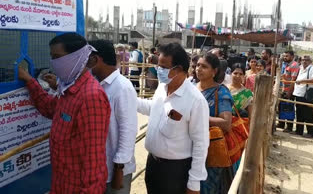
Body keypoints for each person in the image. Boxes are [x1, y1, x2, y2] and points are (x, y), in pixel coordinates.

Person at [18, 33, 110, 193]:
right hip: (61, 185)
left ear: (76, 58)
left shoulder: (91, 97)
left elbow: (93, 160)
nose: (53, 62)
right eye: (52, 57)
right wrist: (30, 81)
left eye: (57, 57)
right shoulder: (68, 90)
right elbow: (48, 107)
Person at [137, 43, 209, 194]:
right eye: (158, 65)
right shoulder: (162, 88)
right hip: (153, 165)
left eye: (163, 67)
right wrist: (132, 101)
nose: (158, 70)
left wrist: (194, 183)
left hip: (175, 172)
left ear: (178, 69)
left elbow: (200, 143)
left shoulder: (195, 100)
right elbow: (154, 108)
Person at [89, 40, 138, 194]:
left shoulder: (122, 87)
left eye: (87, 59)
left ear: (96, 60)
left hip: (116, 169)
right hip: (100, 166)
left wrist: (119, 168)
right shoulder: (97, 84)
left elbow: (128, 130)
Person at [195, 53, 234, 194]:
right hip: (187, 148)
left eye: (204, 66)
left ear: (214, 71)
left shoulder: (221, 93)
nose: (199, 69)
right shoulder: (191, 87)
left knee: (207, 188)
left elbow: (226, 123)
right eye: (198, 65)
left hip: (210, 151)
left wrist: (198, 118)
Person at [292, 56, 313, 138]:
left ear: (310, 61)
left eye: (306, 60)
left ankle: (311, 132)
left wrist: (302, 81)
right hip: (299, 93)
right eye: (303, 60)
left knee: (308, 114)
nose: (304, 61)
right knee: (299, 113)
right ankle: (299, 131)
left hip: (307, 94)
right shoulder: (300, 68)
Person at [277, 50, 300, 132]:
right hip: (284, 88)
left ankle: (289, 127)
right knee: (282, 106)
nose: (285, 57)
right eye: (284, 56)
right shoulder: (286, 65)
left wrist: (289, 92)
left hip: (289, 90)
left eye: (287, 56)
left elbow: (293, 80)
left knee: (289, 108)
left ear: (292, 56)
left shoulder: (294, 65)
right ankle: (282, 123)